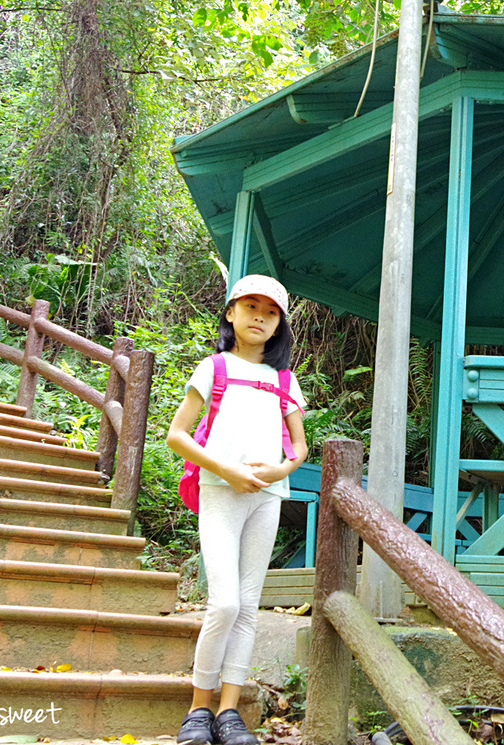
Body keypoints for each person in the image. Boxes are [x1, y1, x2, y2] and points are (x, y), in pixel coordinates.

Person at [166, 275, 309, 745]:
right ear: (231, 313)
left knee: (248, 605)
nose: (260, 316)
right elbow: (178, 435)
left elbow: (300, 450)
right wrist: (227, 471)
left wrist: (276, 471)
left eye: (271, 311)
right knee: (224, 602)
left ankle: (229, 713)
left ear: (279, 325)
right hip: (220, 490)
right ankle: (197, 709)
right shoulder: (213, 368)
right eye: (251, 306)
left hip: (267, 497)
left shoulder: (284, 380)